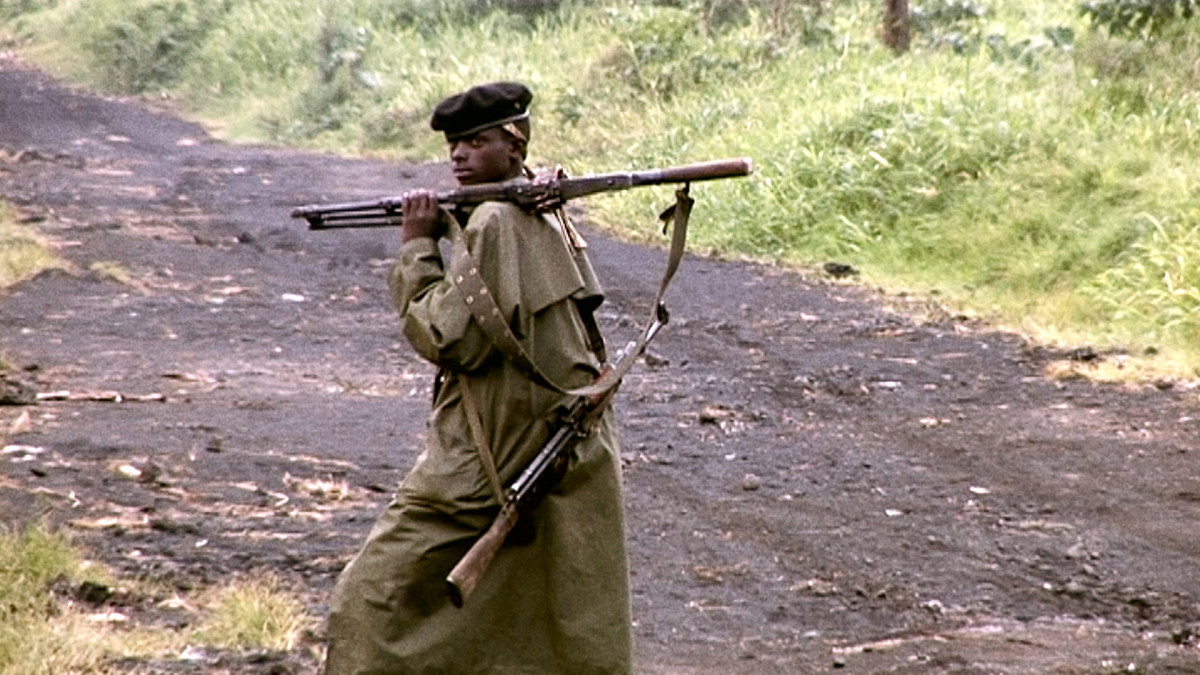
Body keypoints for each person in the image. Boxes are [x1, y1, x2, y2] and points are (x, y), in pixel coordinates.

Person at [324, 81, 633, 674]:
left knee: (367, 603)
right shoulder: (540, 208)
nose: (460, 156)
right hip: (560, 443)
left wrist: (417, 248)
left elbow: (445, 337)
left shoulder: (495, 220)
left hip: (488, 456)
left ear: (515, 146)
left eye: (477, 141)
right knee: (554, 615)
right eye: (454, 146)